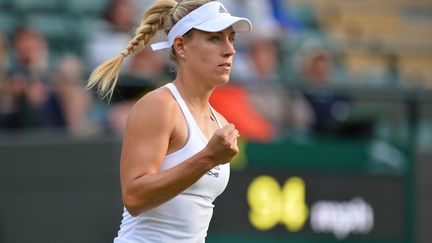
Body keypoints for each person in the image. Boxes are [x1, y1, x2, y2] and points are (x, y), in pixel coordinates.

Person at [86, 0, 252, 242]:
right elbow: (134, 198)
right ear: (181, 46)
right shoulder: (160, 106)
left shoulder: (219, 121)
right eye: (215, 39)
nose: (229, 50)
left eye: (231, 38)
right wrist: (208, 157)